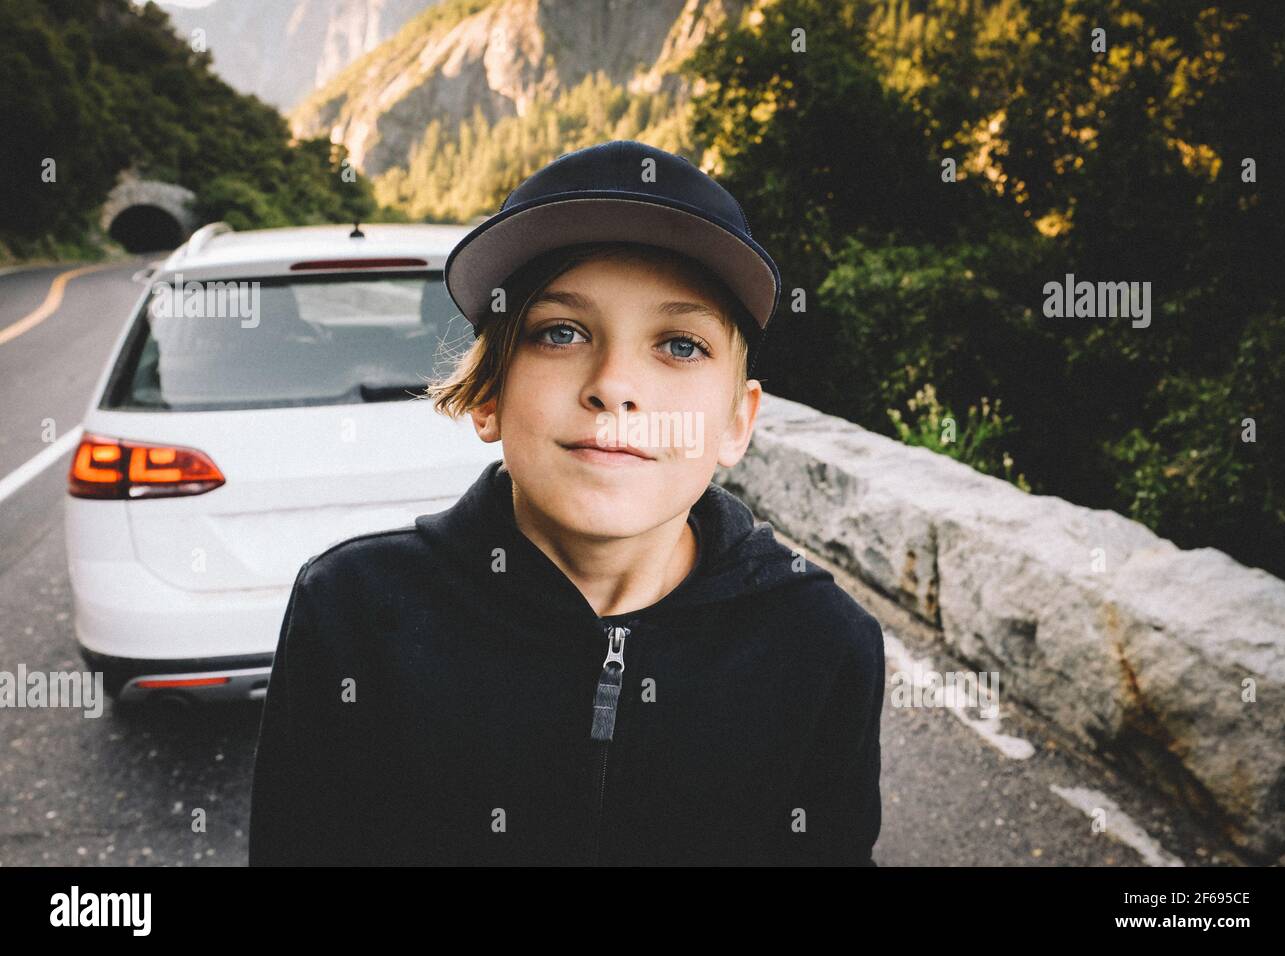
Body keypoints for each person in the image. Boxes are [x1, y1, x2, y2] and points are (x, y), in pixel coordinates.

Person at [248, 139, 886, 866]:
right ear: (488, 394)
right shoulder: (351, 611)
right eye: (560, 332)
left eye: (680, 345)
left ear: (737, 422)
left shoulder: (824, 642)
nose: (614, 385)